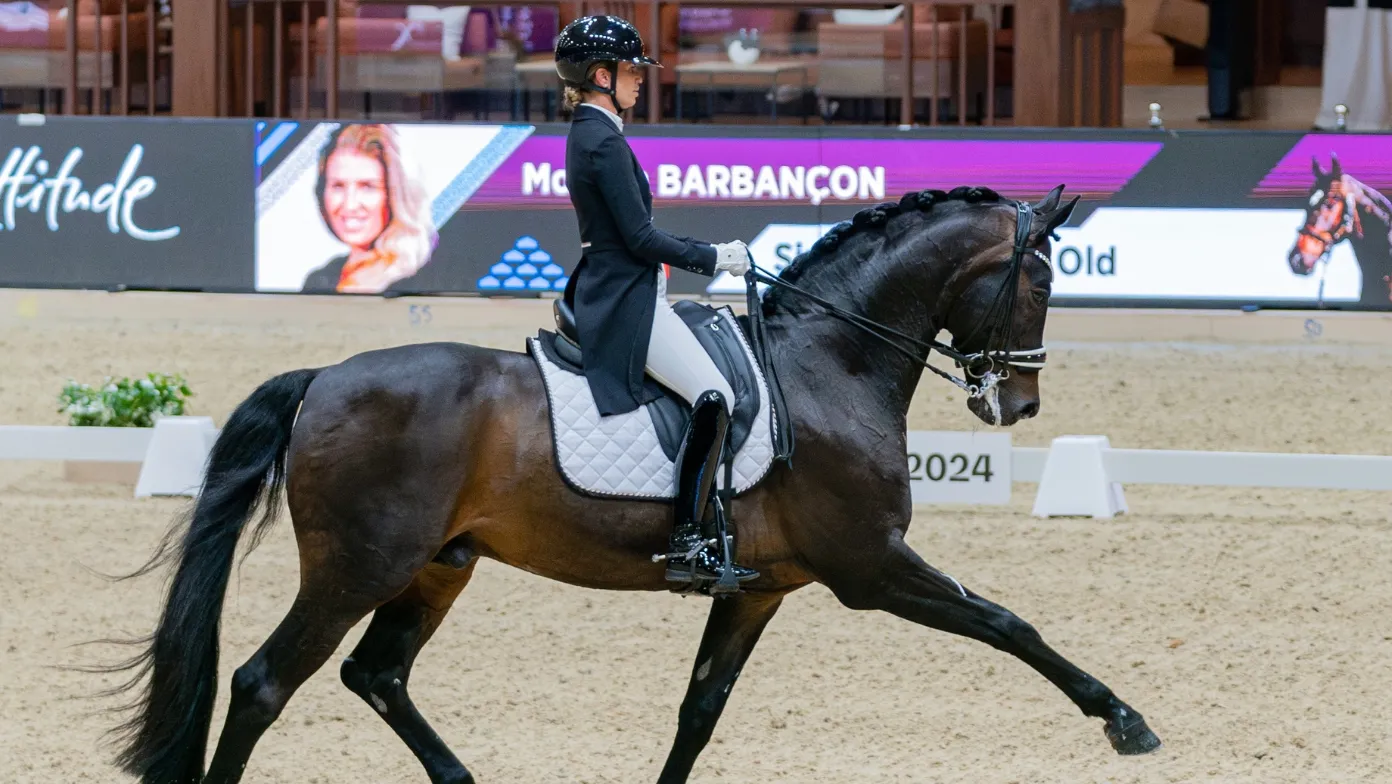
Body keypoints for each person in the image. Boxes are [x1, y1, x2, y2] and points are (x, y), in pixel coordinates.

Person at [554, 14, 758, 587]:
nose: (639, 80)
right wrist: (716, 257)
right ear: (600, 75)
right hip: (625, 299)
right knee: (714, 397)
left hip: (624, 286)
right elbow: (641, 239)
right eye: (629, 71)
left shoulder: (595, 132)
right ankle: (688, 541)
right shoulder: (600, 141)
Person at [301, 124, 438, 294]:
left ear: (396, 194)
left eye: (367, 187)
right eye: (338, 186)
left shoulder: (423, 277)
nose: (350, 205)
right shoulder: (321, 279)